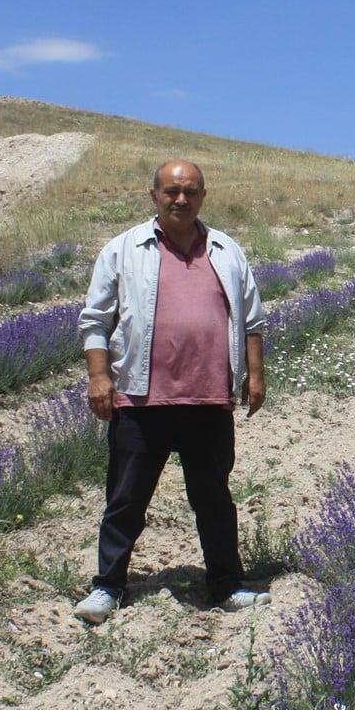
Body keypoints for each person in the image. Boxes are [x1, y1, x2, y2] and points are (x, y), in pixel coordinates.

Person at [73, 159, 269, 625]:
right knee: (126, 499)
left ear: (203, 196)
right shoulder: (124, 250)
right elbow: (96, 322)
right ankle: (107, 586)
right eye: (171, 191)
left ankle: (226, 583)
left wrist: (255, 374)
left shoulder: (226, 250)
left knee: (214, 498)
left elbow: (253, 320)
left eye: (191, 191)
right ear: (154, 195)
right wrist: (99, 378)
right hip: (142, 401)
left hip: (208, 400)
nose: (181, 199)